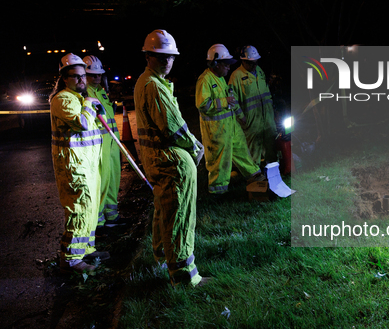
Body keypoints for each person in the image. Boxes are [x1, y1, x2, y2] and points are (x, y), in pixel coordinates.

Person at [134, 29, 207, 287]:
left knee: (165, 211)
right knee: (179, 214)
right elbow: (174, 127)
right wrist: (196, 147)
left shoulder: (148, 82)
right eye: (161, 57)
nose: (167, 61)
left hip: (161, 160)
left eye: (170, 57)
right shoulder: (153, 86)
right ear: (148, 57)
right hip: (171, 162)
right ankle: (183, 275)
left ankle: (162, 258)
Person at [50, 53, 109, 274]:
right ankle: (71, 259)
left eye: (83, 76)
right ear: (64, 78)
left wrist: (90, 104)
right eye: (76, 77)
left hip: (88, 166)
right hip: (74, 168)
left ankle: (85, 249)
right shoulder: (63, 99)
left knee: (91, 210)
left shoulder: (78, 98)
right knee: (79, 210)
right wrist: (88, 104)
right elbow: (82, 124)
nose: (82, 80)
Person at [195, 44, 264, 196]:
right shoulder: (205, 80)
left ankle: (255, 176)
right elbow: (203, 105)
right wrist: (225, 101)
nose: (228, 68)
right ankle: (218, 193)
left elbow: (231, 101)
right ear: (216, 63)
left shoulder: (220, 78)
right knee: (220, 161)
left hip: (231, 127)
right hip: (217, 131)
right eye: (226, 65)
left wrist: (240, 116)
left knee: (242, 152)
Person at [83, 55, 128, 233]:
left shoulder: (100, 91)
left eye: (99, 75)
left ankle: (112, 217)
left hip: (112, 144)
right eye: (92, 75)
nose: (96, 78)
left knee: (113, 180)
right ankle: (99, 224)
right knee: (100, 183)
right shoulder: (84, 93)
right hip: (99, 146)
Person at [229, 45, 277, 166]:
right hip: (251, 123)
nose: (254, 66)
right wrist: (242, 117)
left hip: (268, 120)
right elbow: (232, 101)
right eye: (251, 63)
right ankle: (255, 180)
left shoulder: (259, 71)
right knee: (253, 153)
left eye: (255, 63)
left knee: (271, 149)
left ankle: (272, 176)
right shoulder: (236, 76)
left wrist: (272, 111)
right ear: (243, 61)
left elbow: (266, 94)